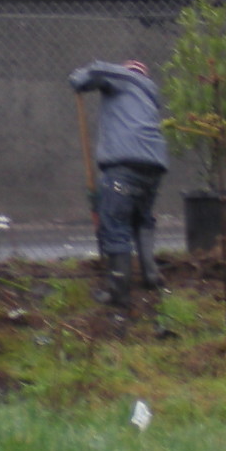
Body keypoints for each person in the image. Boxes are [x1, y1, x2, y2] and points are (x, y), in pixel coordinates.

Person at [69, 58, 169, 311]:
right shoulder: (150, 93)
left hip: (124, 164)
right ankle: (151, 275)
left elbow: (95, 70)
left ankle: (119, 293)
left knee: (115, 224)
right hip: (154, 166)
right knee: (142, 219)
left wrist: (78, 79)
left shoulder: (123, 77)